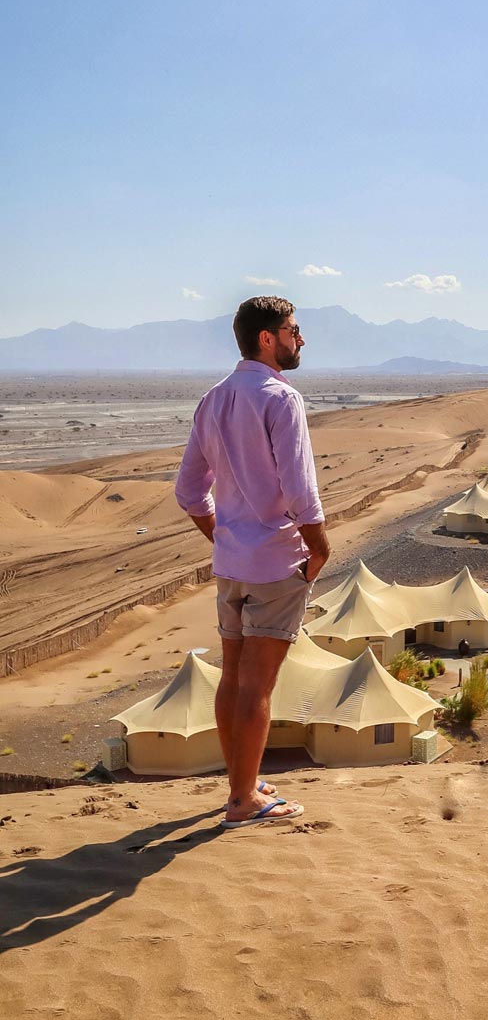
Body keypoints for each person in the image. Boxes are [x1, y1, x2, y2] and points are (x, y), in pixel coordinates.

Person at [175, 296, 329, 826]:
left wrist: (224, 537)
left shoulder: (212, 399)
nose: (300, 338)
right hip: (275, 563)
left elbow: (190, 492)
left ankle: (242, 781)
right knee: (257, 686)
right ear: (268, 337)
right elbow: (299, 489)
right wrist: (320, 547)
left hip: (233, 564)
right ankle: (243, 801)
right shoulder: (280, 399)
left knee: (233, 676)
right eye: (293, 329)